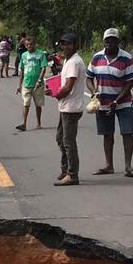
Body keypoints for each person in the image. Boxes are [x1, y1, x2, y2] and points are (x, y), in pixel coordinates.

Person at [87, 28, 133, 178]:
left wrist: (117, 100)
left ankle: (128, 166)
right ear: (103, 42)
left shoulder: (126, 58)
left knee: (127, 132)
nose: (109, 44)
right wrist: (93, 92)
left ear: (118, 42)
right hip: (103, 102)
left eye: (112, 41)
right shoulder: (97, 57)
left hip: (122, 102)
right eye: (107, 41)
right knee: (107, 134)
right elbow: (89, 77)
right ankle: (109, 165)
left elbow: (129, 83)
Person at [52, 33, 87, 186]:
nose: (65, 46)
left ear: (75, 45)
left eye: (68, 44)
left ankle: (72, 174)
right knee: (61, 138)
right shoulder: (68, 60)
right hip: (66, 106)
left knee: (68, 141)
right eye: (63, 44)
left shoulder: (74, 62)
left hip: (71, 107)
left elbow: (68, 86)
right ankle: (66, 169)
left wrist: (56, 94)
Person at [15, 36, 48, 132]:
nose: (29, 46)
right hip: (26, 83)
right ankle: (23, 123)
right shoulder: (24, 55)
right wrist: (19, 85)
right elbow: (22, 70)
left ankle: (38, 123)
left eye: (30, 44)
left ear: (34, 44)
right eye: (27, 45)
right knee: (26, 103)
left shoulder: (41, 54)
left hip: (38, 84)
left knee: (38, 104)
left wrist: (39, 80)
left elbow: (43, 68)